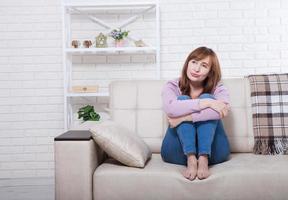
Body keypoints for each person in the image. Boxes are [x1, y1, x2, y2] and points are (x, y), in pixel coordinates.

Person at [161, 46, 231, 181]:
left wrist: (183, 118)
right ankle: (191, 158)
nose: (196, 69)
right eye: (193, 62)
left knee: (207, 96)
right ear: (187, 63)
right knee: (184, 99)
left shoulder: (218, 88)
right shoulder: (172, 85)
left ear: (211, 71)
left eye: (204, 65)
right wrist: (206, 104)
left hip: (214, 152)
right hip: (178, 151)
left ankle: (203, 158)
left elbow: (222, 111)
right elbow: (170, 109)